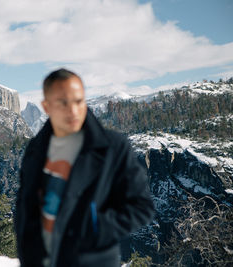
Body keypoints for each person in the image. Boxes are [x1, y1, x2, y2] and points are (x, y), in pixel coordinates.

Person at [15, 68, 154, 267]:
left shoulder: (113, 147)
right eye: (63, 103)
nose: (73, 111)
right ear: (46, 107)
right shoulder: (36, 149)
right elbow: (25, 205)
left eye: (79, 101)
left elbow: (142, 207)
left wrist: (95, 225)